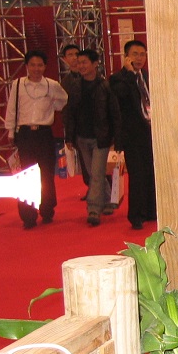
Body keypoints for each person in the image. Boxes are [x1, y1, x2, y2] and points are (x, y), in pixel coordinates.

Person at [4, 50, 69, 229]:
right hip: (24, 134)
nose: (36, 68)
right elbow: (11, 109)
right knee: (26, 175)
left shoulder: (51, 85)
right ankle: (28, 216)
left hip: (44, 133)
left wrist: (52, 107)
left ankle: (47, 210)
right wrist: (11, 132)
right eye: (32, 65)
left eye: (40, 65)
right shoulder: (18, 84)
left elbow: (64, 100)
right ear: (27, 66)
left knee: (46, 173)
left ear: (45, 66)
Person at [63, 49, 121, 227]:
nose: (80, 66)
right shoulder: (74, 86)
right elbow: (69, 113)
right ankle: (108, 200)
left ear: (95, 64)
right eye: (79, 62)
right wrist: (69, 136)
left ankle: (94, 209)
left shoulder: (105, 86)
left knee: (95, 174)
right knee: (93, 173)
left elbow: (114, 113)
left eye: (84, 62)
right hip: (81, 137)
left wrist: (117, 138)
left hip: (100, 138)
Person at [109, 39, 157, 230]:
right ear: (126, 57)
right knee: (137, 175)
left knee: (151, 172)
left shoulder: (147, 76)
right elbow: (120, 96)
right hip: (132, 134)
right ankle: (136, 215)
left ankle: (152, 210)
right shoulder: (118, 78)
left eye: (142, 54)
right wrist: (129, 73)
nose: (139, 58)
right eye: (135, 54)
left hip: (150, 131)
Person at [59, 43, 91, 197]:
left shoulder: (91, 76)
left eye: (76, 54)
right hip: (77, 128)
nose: (73, 58)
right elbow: (66, 110)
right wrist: (69, 135)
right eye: (70, 55)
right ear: (65, 59)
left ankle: (104, 189)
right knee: (84, 161)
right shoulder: (65, 82)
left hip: (94, 126)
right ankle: (91, 188)